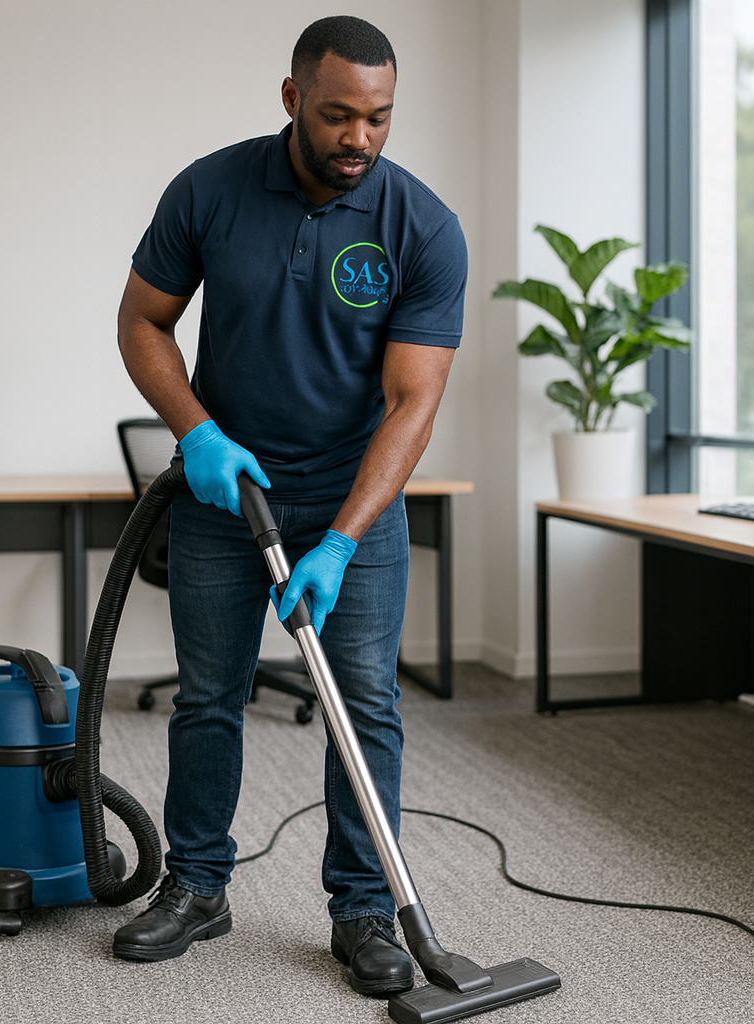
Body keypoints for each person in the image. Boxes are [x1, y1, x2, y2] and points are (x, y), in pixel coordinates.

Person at [114, 14, 467, 998]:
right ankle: (195, 884)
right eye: (338, 114)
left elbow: (414, 400)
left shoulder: (421, 227)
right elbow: (142, 320)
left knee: (367, 707)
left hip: (355, 503)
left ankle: (361, 908)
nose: (360, 137)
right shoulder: (209, 190)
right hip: (228, 496)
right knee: (207, 696)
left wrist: (344, 541)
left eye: (380, 118)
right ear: (292, 100)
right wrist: (195, 431)